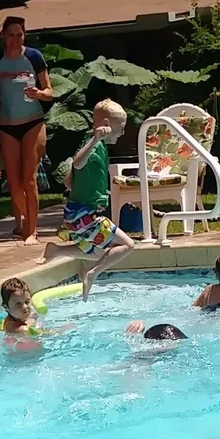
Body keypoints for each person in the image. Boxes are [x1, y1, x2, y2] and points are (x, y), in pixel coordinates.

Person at [46, 98, 137, 296]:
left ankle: (57, 251)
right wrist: (95, 139)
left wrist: (96, 192)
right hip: (84, 216)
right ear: (105, 126)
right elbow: (78, 163)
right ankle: (91, 273)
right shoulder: (95, 145)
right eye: (120, 128)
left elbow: (69, 181)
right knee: (127, 245)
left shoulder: (97, 147)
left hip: (74, 217)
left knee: (100, 252)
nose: (122, 133)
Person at [0, 17, 53, 242]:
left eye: (19, 34)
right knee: (13, 184)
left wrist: (39, 94)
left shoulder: (33, 57)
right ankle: (27, 223)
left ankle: (32, 231)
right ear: (3, 36)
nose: (15, 39)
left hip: (33, 122)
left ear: (24, 36)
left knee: (29, 179)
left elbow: (49, 91)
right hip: (7, 125)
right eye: (11, 34)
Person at [0, 275, 48, 343]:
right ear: (6, 307)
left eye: (27, 302)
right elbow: (31, 331)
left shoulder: (23, 313)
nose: (24, 306)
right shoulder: (11, 327)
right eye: (18, 304)